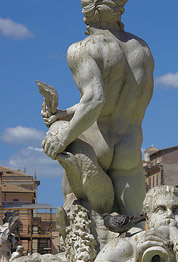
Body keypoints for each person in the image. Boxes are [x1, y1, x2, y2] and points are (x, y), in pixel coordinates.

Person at [41, 0, 154, 216]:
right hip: (130, 147)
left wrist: (62, 137)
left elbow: (95, 100)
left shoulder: (82, 49)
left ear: (87, 14)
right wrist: (65, 114)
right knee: (135, 229)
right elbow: (116, 99)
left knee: (81, 222)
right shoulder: (142, 50)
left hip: (95, 145)